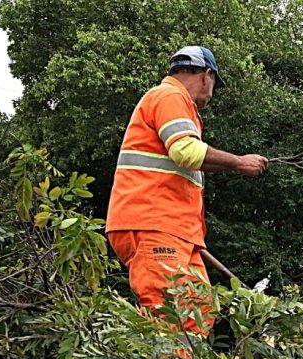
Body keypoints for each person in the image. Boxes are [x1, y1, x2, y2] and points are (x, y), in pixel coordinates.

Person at [106, 45, 269, 333]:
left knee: (200, 309)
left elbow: (186, 160)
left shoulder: (170, 100)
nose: (211, 93)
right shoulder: (170, 96)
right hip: (153, 224)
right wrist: (240, 162)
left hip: (174, 231)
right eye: (215, 85)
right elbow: (187, 152)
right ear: (207, 75)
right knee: (177, 318)